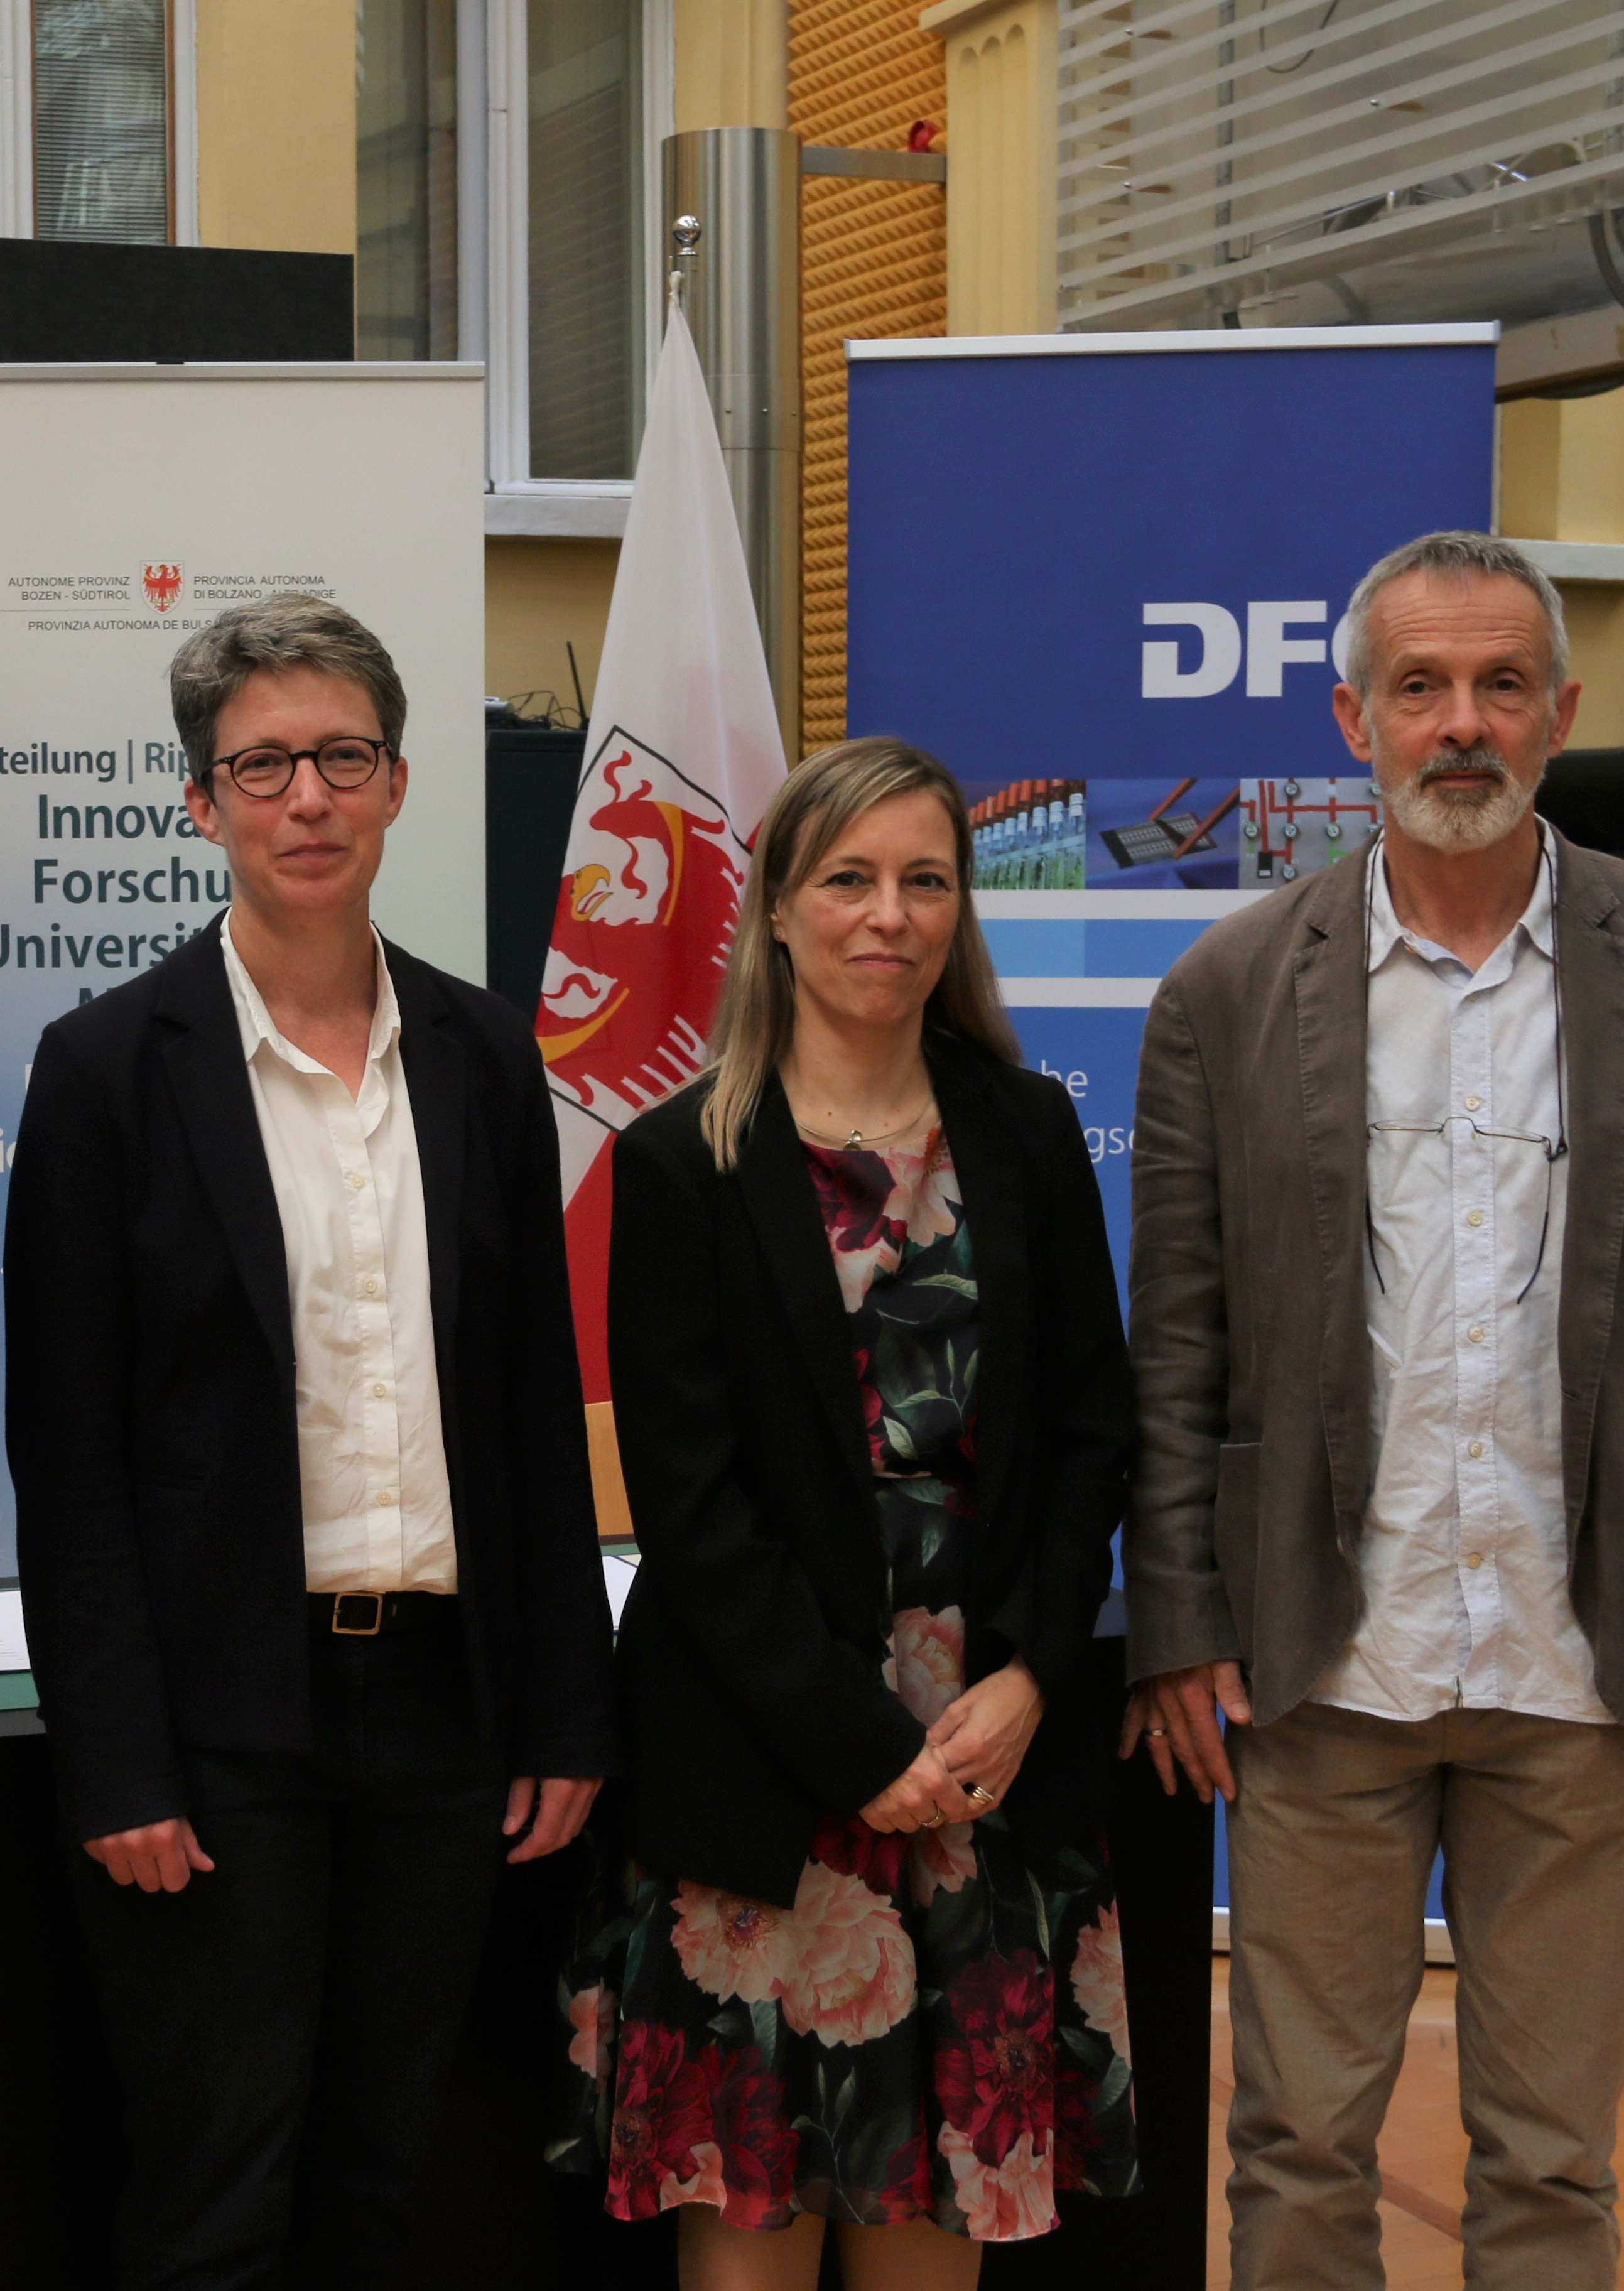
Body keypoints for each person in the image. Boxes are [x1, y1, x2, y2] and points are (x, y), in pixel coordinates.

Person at [1120, 531, 1624, 2291]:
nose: (1461, 725)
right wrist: (1179, 1622)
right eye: (1419, 687)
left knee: (1553, 2167)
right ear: (1352, 717)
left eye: (1502, 683)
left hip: (1595, 1663)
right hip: (1319, 1664)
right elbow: (1179, 1345)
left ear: (1563, 711)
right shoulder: (1224, 992)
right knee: (1291, 2145)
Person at [5, 593, 620, 2290]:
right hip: (222, 1730)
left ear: (401, 784)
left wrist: (567, 1700)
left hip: (445, 1713)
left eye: (341, 757)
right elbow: (71, 1462)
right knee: (218, 2191)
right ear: (201, 805)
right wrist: (115, 1760)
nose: (306, 799)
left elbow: (527, 1414)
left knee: (378, 2178)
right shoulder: (108, 1072)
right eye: (262, 765)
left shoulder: (492, 1057)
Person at [560, 737, 1140, 2288]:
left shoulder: (1024, 1136)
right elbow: (692, 1508)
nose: (888, 914)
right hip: (768, 1764)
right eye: (850, 879)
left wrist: (1028, 1674)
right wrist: (860, 1748)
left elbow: (1094, 1433)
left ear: (961, 909)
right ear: (779, 910)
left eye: (925, 880)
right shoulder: (684, 1159)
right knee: (750, 2237)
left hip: (985, 1767)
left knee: (932, 2226)